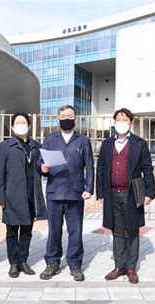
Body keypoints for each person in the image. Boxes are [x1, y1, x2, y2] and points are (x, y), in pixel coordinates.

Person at [96, 108, 155, 284]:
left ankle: (131, 267)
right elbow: (100, 169)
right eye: (118, 119)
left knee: (132, 230)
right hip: (112, 193)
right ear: (114, 122)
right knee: (116, 230)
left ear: (130, 123)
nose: (121, 122)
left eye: (125, 119)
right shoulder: (107, 144)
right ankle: (119, 266)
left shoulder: (139, 143)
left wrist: (150, 192)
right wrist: (100, 191)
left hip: (132, 194)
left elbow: (147, 169)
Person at [39, 105, 94, 281]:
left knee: (75, 230)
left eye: (70, 116)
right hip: (54, 191)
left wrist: (88, 188)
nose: (66, 118)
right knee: (54, 230)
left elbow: (90, 166)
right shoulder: (50, 139)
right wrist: (43, 168)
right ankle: (52, 262)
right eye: (63, 116)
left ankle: (75, 264)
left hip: (75, 193)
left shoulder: (82, 140)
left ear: (75, 118)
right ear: (58, 118)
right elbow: (40, 162)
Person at [0, 112, 47, 278]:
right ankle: (13, 263)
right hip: (12, 197)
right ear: (12, 126)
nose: (21, 125)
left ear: (29, 126)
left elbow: (40, 168)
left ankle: (23, 261)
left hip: (30, 196)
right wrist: (1, 198)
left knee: (26, 231)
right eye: (17, 123)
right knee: (11, 232)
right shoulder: (5, 147)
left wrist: (44, 169)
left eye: (24, 122)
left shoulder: (36, 146)